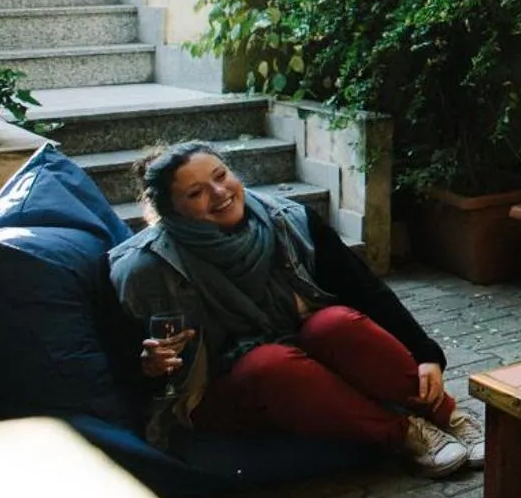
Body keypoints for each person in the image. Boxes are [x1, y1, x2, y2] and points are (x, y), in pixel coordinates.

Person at [108, 142, 481, 477]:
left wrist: (426, 354)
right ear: (174, 213)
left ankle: (445, 413)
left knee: (334, 323)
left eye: (221, 176)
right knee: (270, 364)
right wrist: (148, 365)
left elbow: (366, 291)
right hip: (221, 388)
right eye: (196, 193)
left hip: (301, 354)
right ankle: (405, 433)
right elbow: (125, 358)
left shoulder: (289, 222)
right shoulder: (146, 268)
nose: (220, 193)